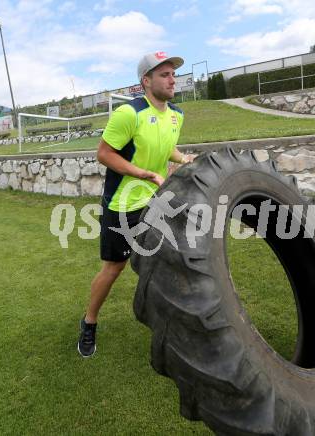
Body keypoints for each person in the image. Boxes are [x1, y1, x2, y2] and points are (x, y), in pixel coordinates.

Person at [77, 52, 193, 357]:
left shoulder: (176, 114)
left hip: (156, 201)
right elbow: (104, 154)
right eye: (164, 74)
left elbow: (166, 146)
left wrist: (183, 158)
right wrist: (142, 173)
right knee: (114, 268)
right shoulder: (129, 113)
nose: (172, 80)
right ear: (146, 81)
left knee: (170, 259)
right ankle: (89, 322)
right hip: (122, 204)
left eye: (173, 74)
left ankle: (175, 322)